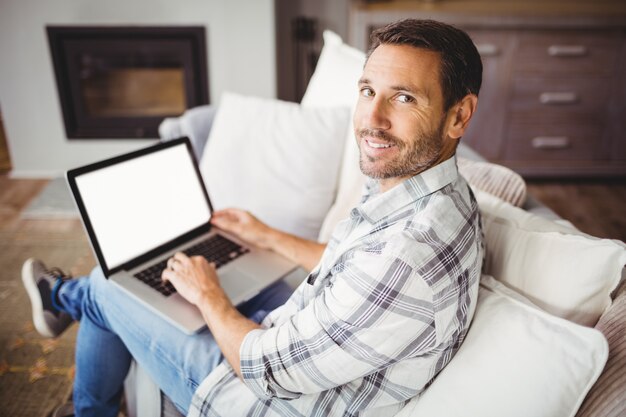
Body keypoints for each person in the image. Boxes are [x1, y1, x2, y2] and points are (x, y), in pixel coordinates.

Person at [22, 19, 484, 417]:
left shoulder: (406, 254)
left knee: (111, 282)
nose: (372, 118)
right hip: (302, 337)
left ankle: (65, 301)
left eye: (403, 98)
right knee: (150, 278)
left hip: (260, 398)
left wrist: (210, 296)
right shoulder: (436, 196)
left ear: (458, 115)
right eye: (367, 91)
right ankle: (65, 302)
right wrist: (264, 235)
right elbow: (352, 265)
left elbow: (268, 370)